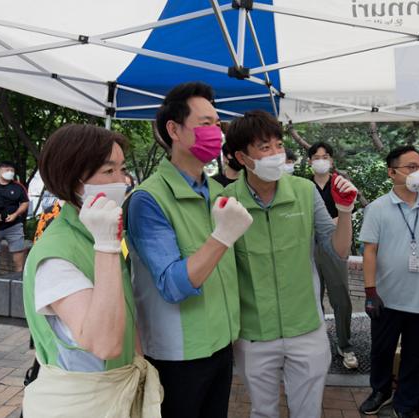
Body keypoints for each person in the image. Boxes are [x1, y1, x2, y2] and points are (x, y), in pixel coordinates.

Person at [125, 82, 252, 418]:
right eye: (205, 123)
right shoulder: (148, 199)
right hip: (177, 356)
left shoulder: (213, 189)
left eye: (217, 124)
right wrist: (222, 236)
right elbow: (173, 285)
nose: (216, 133)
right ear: (174, 130)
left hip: (220, 344)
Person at [21, 124, 162, 417]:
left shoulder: (96, 233)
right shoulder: (57, 254)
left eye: (122, 170)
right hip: (82, 402)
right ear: (74, 180)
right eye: (108, 171)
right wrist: (107, 245)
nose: (122, 181)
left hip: (116, 389)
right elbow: (105, 343)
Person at [224, 110, 357, 418]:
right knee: (263, 411)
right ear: (242, 157)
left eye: (278, 145)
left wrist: (345, 211)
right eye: (264, 147)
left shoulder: (304, 190)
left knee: (308, 412)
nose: (275, 154)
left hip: (305, 327)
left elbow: (337, 250)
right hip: (254, 331)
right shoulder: (227, 200)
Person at [358, 145, 419, 418]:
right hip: (387, 297)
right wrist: (370, 291)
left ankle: (406, 402)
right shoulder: (378, 208)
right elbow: (370, 252)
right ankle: (380, 391)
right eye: (410, 167)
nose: (418, 172)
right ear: (392, 173)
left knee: (415, 355)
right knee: (381, 351)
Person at [307, 141, 358, 369]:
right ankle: (312, 344)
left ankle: (345, 345)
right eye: (316, 157)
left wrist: (327, 225)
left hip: (334, 247)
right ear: (309, 162)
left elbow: (346, 215)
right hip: (308, 247)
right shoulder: (303, 187)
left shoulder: (340, 184)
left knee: (341, 299)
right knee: (311, 297)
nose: (321, 160)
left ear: (331, 161)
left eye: (325, 156)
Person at [0, 161, 29, 272]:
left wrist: (15, 214)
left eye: (11, 170)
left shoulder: (18, 187)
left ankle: (19, 275)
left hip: (14, 225)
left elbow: (25, 202)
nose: (9, 172)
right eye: (6, 170)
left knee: (18, 250)